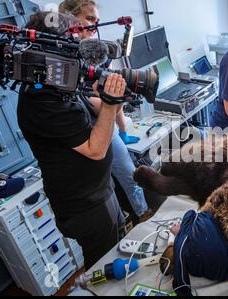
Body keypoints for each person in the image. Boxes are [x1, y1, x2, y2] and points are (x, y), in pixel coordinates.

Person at [18, 11, 127, 270]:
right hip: (85, 207)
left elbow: (98, 108)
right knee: (106, 267)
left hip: (101, 191)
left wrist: (111, 94)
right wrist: (112, 102)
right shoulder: (40, 98)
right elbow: (96, 149)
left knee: (120, 245)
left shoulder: (60, 80)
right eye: (72, 41)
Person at [59, 0, 153, 223]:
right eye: (89, 19)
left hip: (106, 126)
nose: (94, 26)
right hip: (85, 135)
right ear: (70, 20)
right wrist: (114, 100)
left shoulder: (95, 54)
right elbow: (102, 103)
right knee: (108, 187)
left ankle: (142, 214)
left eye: (97, 21)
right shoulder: (66, 62)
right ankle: (130, 219)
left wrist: (122, 128)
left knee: (129, 175)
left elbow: (111, 93)